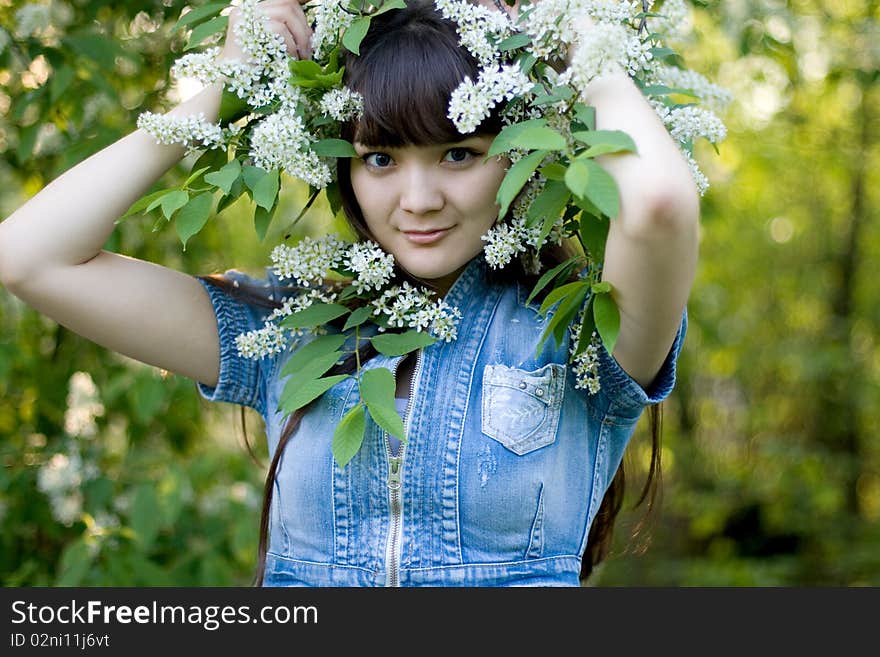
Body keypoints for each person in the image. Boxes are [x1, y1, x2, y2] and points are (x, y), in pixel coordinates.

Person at [0, 0, 699, 586]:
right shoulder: (291, 330)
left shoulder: (579, 334)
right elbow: (28, 257)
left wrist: (575, 42)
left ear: (520, 151)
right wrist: (224, 86)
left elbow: (661, 202)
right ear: (345, 167)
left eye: (459, 153)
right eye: (380, 157)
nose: (418, 199)